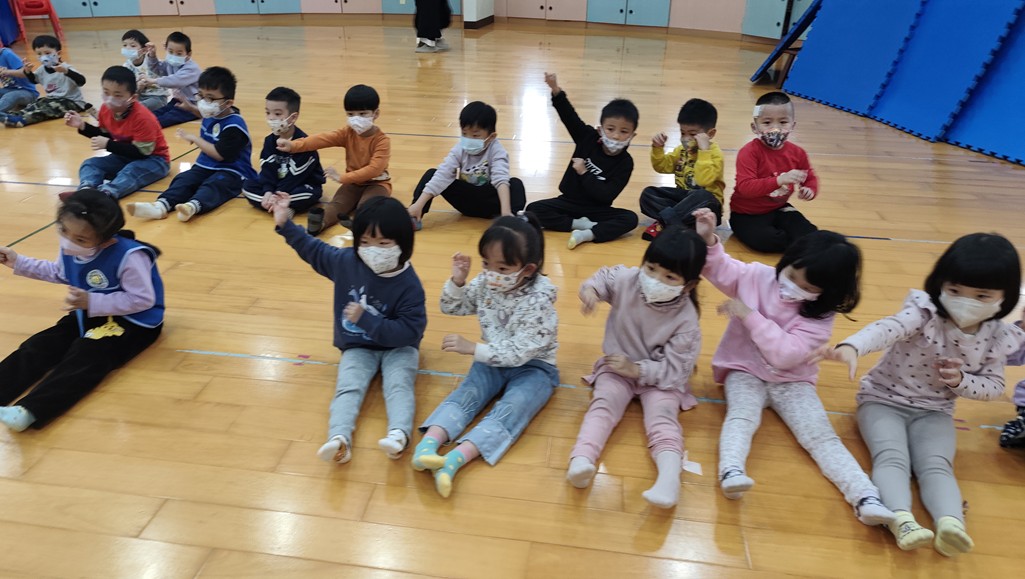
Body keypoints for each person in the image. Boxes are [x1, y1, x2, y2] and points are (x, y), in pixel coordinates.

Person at [818, 232, 1024, 555]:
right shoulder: (925, 313)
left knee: (937, 465)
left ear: (1005, 297)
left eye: (982, 296)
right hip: (882, 400)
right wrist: (853, 346)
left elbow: (995, 387)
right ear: (940, 283)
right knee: (891, 457)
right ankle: (901, 519)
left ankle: (951, 524)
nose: (965, 301)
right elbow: (887, 328)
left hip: (935, 411)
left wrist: (961, 381)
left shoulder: (998, 337)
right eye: (954, 290)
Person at [692, 208, 894, 527]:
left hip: (793, 380)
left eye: (809, 287)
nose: (795, 285)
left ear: (829, 292)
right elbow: (722, 269)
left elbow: (785, 356)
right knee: (741, 417)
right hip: (744, 369)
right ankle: (731, 472)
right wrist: (708, 240)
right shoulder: (759, 276)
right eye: (793, 274)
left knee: (820, 436)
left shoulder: (821, 317)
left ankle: (865, 497)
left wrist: (749, 315)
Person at [271, 194, 426, 464]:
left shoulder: (409, 284)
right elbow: (313, 250)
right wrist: (285, 223)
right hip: (358, 346)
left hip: (399, 348)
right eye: (364, 242)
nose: (372, 249)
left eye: (383, 243)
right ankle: (339, 440)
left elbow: (410, 331)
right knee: (348, 388)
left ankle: (398, 435)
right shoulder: (348, 262)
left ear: (402, 243)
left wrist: (367, 320)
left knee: (399, 386)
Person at [412, 213, 559, 497]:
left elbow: (518, 353)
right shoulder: (486, 282)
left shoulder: (539, 301)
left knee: (514, 407)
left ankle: (454, 460)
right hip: (492, 358)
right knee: (468, 393)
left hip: (535, 367)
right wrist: (457, 282)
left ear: (528, 269)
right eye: (486, 264)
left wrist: (473, 349)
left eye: (502, 268)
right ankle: (427, 446)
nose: (492, 273)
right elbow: (453, 307)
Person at [0, 189, 164, 431]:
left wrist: (92, 302)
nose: (68, 241)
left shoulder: (130, 256)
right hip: (87, 312)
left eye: (80, 239)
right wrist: (18, 261)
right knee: (41, 344)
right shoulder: (72, 248)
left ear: (106, 240)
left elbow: (143, 300)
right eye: (63, 230)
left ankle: (31, 410)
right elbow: (60, 273)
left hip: (133, 323)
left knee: (87, 355)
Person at [567, 226, 707, 509]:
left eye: (669, 277)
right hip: (617, 368)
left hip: (659, 379)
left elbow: (675, 371)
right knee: (603, 405)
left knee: (663, 419)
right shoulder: (628, 280)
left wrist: (638, 370)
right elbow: (602, 278)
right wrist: (590, 291)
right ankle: (581, 460)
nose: (655, 280)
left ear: (688, 285)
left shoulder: (686, 319)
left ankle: (669, 480)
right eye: (651, 269)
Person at [127, 67, 256, 222]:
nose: (204, 102)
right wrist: (191, 108)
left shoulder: (234, 126)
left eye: (210, 98)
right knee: (184, 179)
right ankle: (161, 205)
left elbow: (219, 155)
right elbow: (205, 114)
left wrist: (195, 139)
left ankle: (193, 206)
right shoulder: (214, 111)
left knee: (215, 185)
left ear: (228, 103)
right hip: (205, 165)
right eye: (201, 95)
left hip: (232, 170)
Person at [526, 72, 639, 250]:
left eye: (624, 132)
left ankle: (587, 234)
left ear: (632, 135)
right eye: (610, 129)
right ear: (600, 129)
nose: (616, 136)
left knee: (630, 219)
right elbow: (569, 116)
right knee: (533, 209)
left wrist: (584, 172)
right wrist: (555, 89)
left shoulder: (626, 162)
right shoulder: (587, 137)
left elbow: (607, 195)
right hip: (568, 202)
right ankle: (578, 224)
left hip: (597, 209)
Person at [276, 84, 390, 233]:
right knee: (337, 204)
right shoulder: (348, 133)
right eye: (351, 114)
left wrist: (342, 177)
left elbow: (374, 169)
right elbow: (322, 139)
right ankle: (319, 224)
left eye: (363, 114)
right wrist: (293, 145)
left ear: (376, 114)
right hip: (353, 183)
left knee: (366, 206)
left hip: (377, 184)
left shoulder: (382, 141)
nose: (356, 119)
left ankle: (361, 226)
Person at [407, 101, 525, 229]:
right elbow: (444, 173)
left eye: (475, 135)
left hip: (491, 204)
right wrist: (419, 204)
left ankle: (510, 221)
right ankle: (414, 215)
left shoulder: (497, 151)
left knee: (515, 184)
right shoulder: (459, 149)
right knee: (432, 173)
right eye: (464, 134)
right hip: (466, 201)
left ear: (491, 137)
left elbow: (500, 178)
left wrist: (505, 211)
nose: (468, 139)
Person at [62, 66, 170, 200]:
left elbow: (142, 152)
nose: (110, 99)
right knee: (90, 164)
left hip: (154, 160)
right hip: (124, 155)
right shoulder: (105, 109)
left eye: (117, 95)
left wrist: (108, 145)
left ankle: (106, 194)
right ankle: (86, 189)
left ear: (132, 97)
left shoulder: (143, 117)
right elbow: (106, 135)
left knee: (131, 171)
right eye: (106, 92)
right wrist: (82, 125)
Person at [730, 91, 819, 253]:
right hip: (746, 213)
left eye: (783, 122)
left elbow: (809, 177)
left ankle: (800, 243)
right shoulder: (749, 152)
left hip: (779, 208)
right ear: (754, 127)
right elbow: (745, 188)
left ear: (792, 125)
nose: (776, 129)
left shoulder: (798, 153)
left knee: (810, 234)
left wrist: (809, 189)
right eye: (767, 123)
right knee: (767, 240)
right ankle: (792, 243)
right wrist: (779, 180)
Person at [638, 98, 725, 240]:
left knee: (702, 195)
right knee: (648, 194)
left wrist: (703, 152)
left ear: (710, 134)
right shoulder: (682, 150)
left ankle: (666, 223)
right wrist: (657, 148)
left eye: (692, 134)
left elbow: (703, 181)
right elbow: (662, 166)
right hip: (683, 201)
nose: (685, 138)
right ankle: (681, 224)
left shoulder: (714, 154)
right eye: (683, 133)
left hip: (706, 206)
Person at [244, 87, 324, 226]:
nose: (271, 118)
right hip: (277, 186)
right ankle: (281, 207)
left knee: (308, 194)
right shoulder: (269, 141)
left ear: (293, 117)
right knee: (247, 186)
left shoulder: (304, 143)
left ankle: (276, 205)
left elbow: (296, 176)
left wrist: (277, 194)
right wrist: (268, 192)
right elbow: (267, 169)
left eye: (277, 114)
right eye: (268, 112)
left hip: (300, 184)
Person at [0, 35, 89, 128]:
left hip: (71, 101)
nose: (43, 57)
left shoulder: (66, 68)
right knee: (36, 104)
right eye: (39, 54)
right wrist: (28, 72)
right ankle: (12, 116)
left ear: (58, 53)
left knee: (46, 110)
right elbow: (34, 80)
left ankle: (22, 120)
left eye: (47, 53)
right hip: (51, 98)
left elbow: (81, 81)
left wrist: (66, 71)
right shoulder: (42, 69)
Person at [141, 31, 201, 128]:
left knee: (164, 119)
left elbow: (175, 80)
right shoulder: (171, 63)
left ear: (188, 54)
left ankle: (143, 128)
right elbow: (158, 69)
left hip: (191, 105)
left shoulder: (192, 68)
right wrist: (152, 56)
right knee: (154, 114)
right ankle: (138, 123)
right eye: (170, 52)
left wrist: (153, 81)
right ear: (166, 48)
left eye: (179, 53)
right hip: (177, 100)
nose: (174, 56)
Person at [120, 29, 168, 111]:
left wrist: (150, 81)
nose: (127, 48)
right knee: (125, 104)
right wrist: (137, 87)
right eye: (125, 45)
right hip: (139, 97)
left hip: (157, 97)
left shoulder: (152, 62)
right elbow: (128, 89)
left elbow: (165, 76)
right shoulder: (126, 67)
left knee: (138, 108)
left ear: (144, 50)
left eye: (133, 46)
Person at [0, 45, 39, 113]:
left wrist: (6, 72)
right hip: (9, 90)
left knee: (11, 96)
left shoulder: (7, 54)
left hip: (28, 92)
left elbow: (23, 73)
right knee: (9, 95)